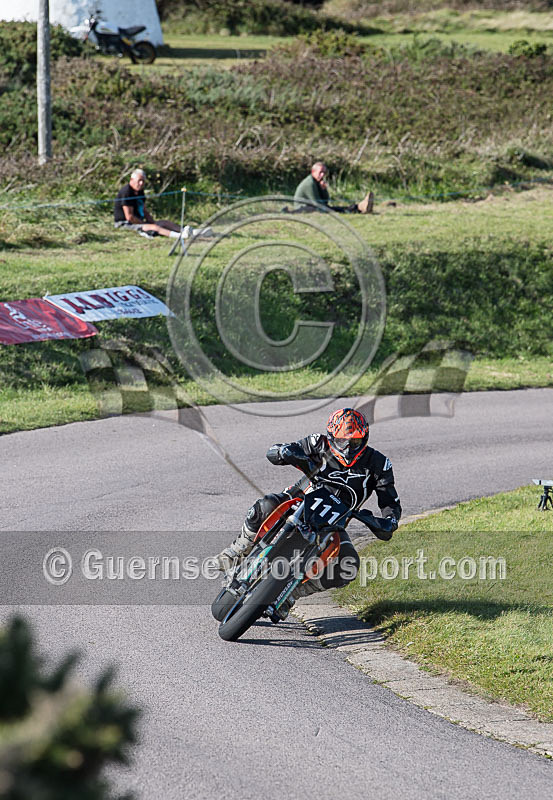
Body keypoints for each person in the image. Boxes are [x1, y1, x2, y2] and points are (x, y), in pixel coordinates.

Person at [214, 408, 401, 601]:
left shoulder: (379, 464)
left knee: (348, 566)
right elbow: (277, 451)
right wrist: (282, 451)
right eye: (342, 441)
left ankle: (292, 594)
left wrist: (390, 520)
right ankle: (237, 551)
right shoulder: (317, 443)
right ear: (331, 436)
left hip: (333, 524)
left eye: (355, 442)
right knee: (265, 505)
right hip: (300, 500)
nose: (348, 448)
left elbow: (390, 501)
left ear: (365, 438)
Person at [114, 169, 213, 242]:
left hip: (138, 221)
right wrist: (147, 224)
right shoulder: (126, 192)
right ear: (132, 180)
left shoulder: (140, 192)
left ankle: (192, 232)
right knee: (155, 227)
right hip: (125, 223)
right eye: (139, 180)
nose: (141, 183)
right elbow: (129, 217)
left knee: (163, 223)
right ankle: (180, 236)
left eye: (143, 181)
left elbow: (144, 210)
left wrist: (152, 221)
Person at [293, 162, 374, 214]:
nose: (322, 175)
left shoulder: (316, 182)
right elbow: (317, 203)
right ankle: (357, 208)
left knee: (331, 208)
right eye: (320, 172)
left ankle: (358, 207)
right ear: (313, 172)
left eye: (324, 173)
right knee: (331, 210)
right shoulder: (309, 183)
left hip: (312, 206)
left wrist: (323, 189)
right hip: (302, 208)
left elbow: (325, 200)